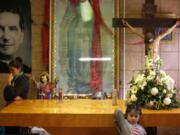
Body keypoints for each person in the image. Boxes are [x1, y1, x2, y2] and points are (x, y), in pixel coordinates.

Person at [0, 0, 31, 73]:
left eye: (12, 29)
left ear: (22, 36)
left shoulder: (27, 71)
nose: (6, 37)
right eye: (0, 29)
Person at [3, 57, 30, 135]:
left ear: (19, 69)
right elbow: (6, 96)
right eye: (9, 70)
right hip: (11, 110)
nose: (10, 73)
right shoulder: (14, 79)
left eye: (12, 70)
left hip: (18, 112)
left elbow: (12, 94)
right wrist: (10, 87)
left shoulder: (23, 80)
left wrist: (9, 84)